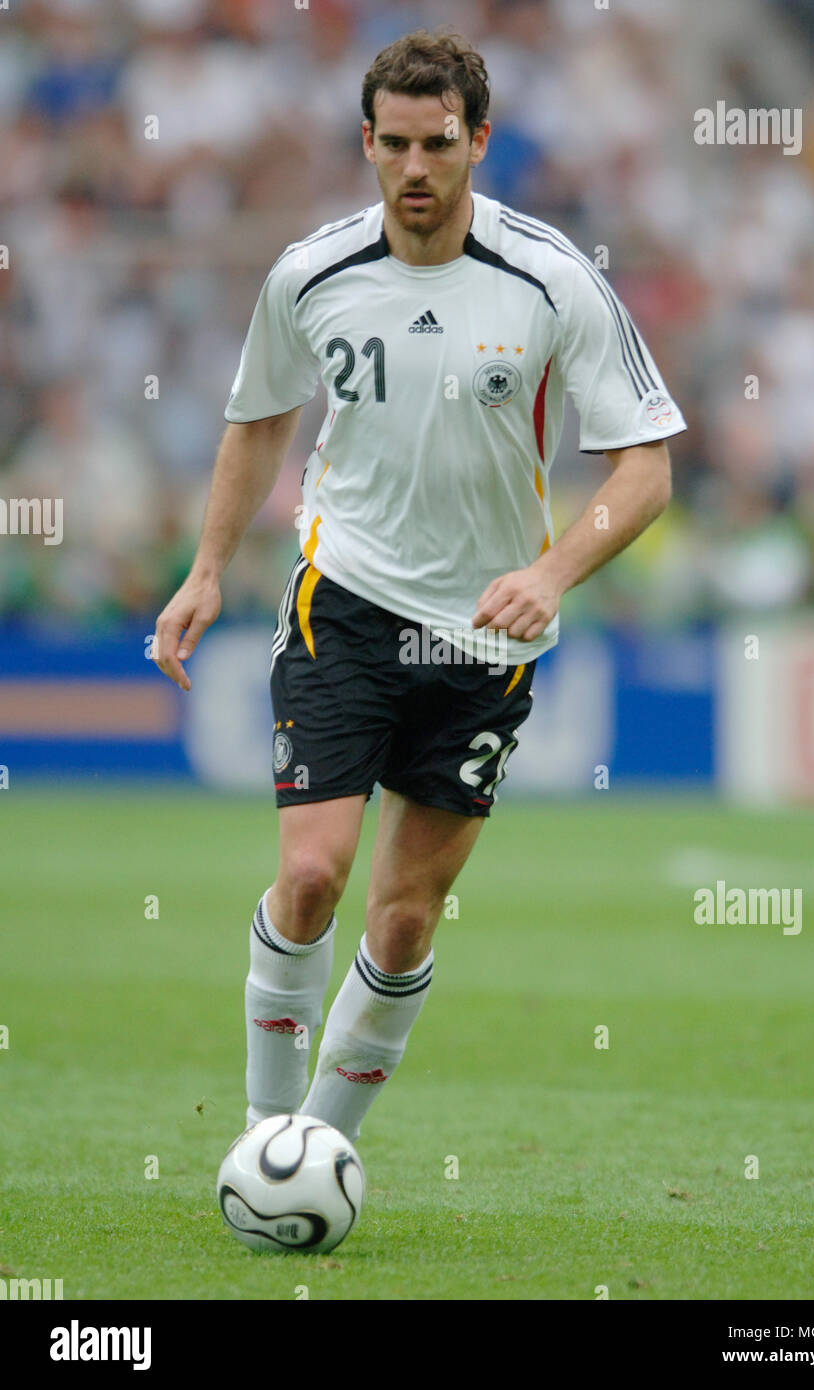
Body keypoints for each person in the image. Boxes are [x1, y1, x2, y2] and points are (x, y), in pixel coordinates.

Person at [152, 29, 686, 1146]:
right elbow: (257, 422)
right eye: (391, 144)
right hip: (341, 599)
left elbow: (645, 468)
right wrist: (206, 569)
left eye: (436, 143)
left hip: (483, 636)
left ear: (478, 141)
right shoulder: (310, 273)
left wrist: (550, 571)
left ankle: (328, 1145)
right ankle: (267, 1139)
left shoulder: (550, 277)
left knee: (401, 919)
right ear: (366, 142)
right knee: (309, 878)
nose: (413, 168)